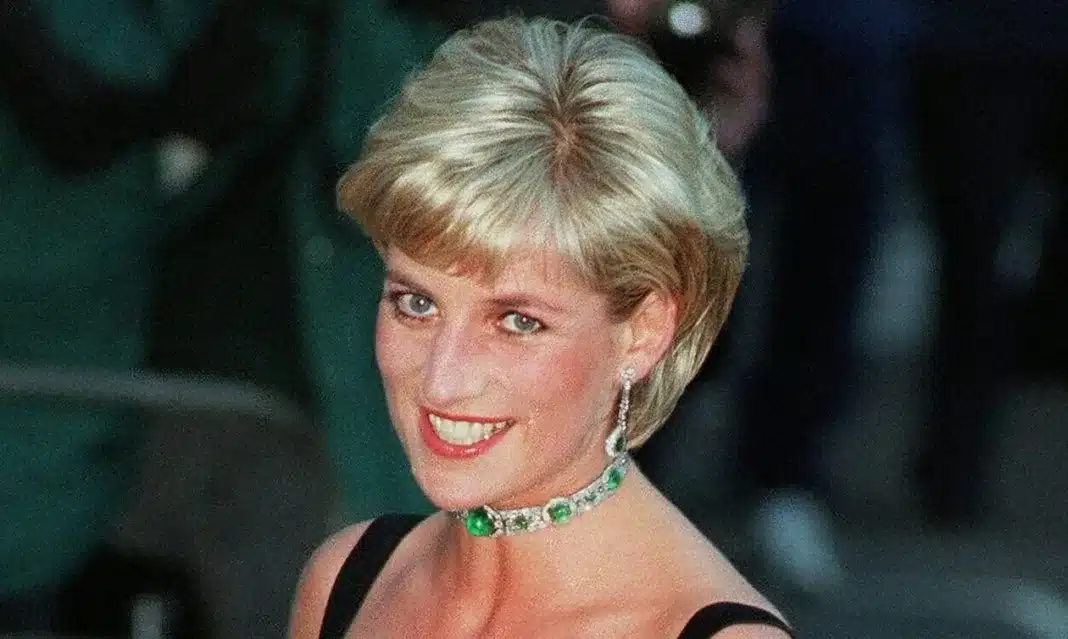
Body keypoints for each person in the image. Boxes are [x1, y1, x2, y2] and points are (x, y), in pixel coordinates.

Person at [289, 17, 793, 638]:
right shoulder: (345, 581)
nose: (442, 381)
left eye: (517, 321)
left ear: (644, 331)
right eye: (416, 304)